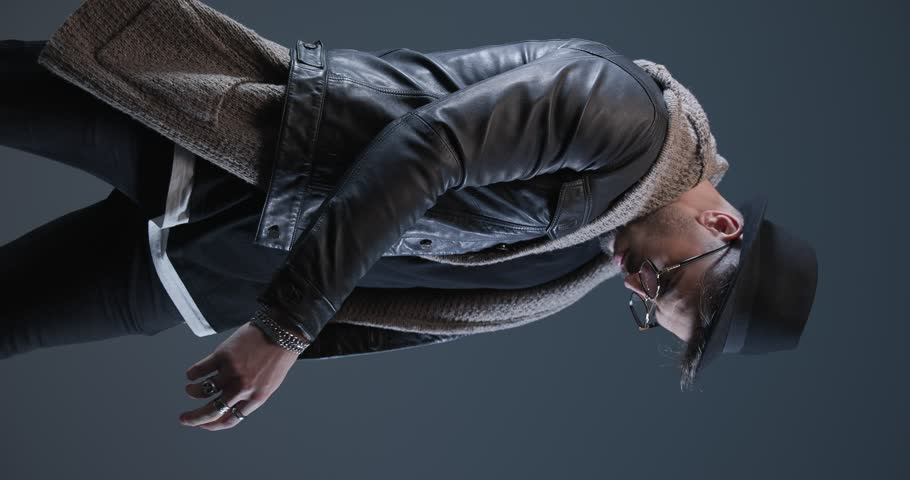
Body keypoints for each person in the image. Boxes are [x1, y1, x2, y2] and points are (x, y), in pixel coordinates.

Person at [1, 0, 817, 435]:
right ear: (721, 229)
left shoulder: (581, 261)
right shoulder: (624, 114)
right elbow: (430, 148)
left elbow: (404, 308)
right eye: (662, 279)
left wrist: (268, 317)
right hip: (220, 146)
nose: (634, 283)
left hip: (205, 276)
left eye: (647, 308)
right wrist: (284, 331)